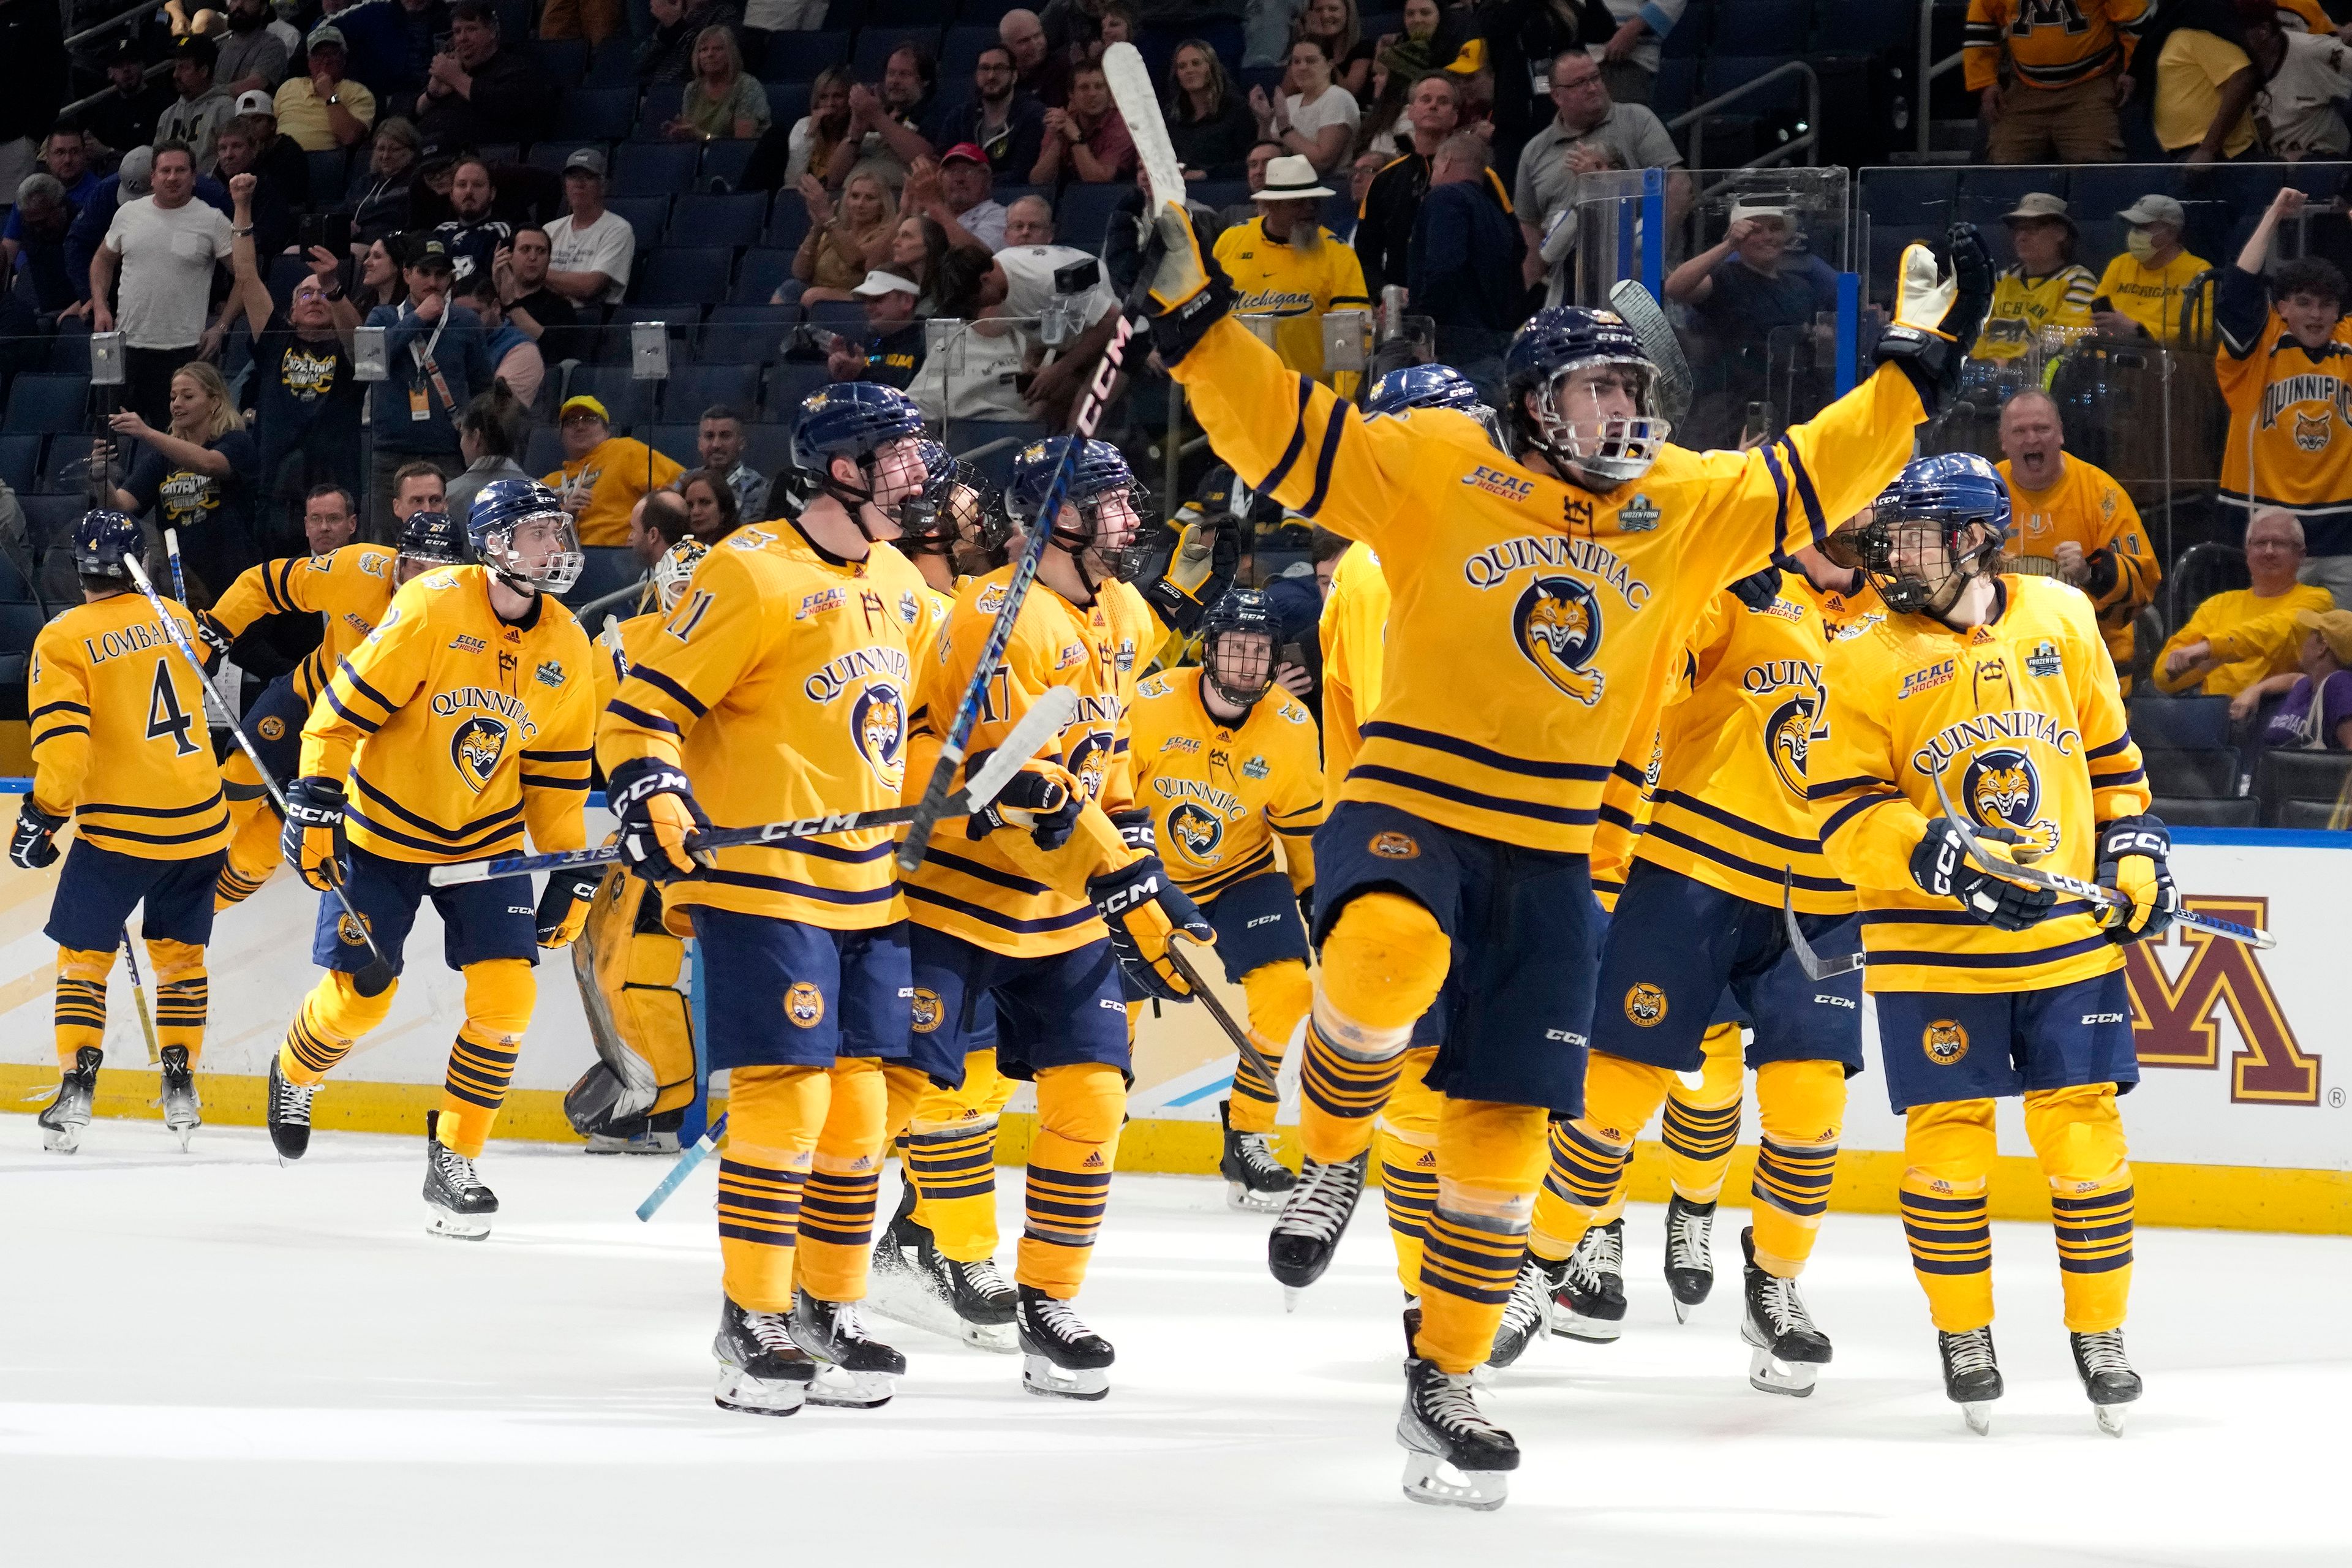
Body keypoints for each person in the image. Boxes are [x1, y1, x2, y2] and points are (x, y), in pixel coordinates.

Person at [1131, 189, 1984, 1501]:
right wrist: (1197, 330)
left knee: (1506, 1135)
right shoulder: (1432, 464)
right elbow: (1287, 434)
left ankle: (1447, 1379)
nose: (1623, 413)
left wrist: (1914, 377)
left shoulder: (1682, 502)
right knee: (1383, 961)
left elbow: (1817, 469)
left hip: (1559, 841)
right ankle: (1334, 1148)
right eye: (1596, 389)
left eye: (1631, 389)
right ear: (1533, 402)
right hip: (1416, 796)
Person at [1811, 451, 2164, 1438]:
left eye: (1913, 537)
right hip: (1934, 952)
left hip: (2065, 942)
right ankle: (1964, 1334)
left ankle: (2101, 1335)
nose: (1888, 556)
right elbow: (1843, 819)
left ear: (1974, 540)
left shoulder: (2063, 616)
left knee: (2083, 1136)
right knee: (1950, 1149)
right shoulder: (1859, 657)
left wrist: (2136, 854)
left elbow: (2110, 762)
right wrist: (1937, 859)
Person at [600, 384, 937, 1414]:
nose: (915, 476)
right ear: (841, 468)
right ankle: (751, 1315)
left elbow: (907, 727)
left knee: (860, 1109)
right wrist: (652, 786)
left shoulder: (906, 586)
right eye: (896, 459)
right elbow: (640, 712)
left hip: (868, 887)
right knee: (786, 1102)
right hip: (764, 882)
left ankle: (827, 1306)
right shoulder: (748, 572)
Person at [890, 433, 1210, 1395]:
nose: (1127, 518)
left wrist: (1134, 866)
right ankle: (835, 1268)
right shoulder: (998, 612)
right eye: (1107, 502)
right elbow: (1005, 784)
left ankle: (1049, 1300)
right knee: (927, 1096)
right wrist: (1110, 868)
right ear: (1055, 519)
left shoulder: (1125, 614)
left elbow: (1103, 770)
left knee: (1094, 1096)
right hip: (958, 886)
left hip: (1061, 899)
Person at [266, 483, 592, 1241]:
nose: (558, 546)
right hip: (383, 833)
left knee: (507, 1000)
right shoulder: (430, 606)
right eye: (540, 533)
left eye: (559, 532)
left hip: (486, 838)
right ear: (496, 545)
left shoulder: (568, 642)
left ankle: (455, 1159)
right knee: (363, 997)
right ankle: (296, 1069)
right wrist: (316, 794)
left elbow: (559, 772)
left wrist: (571, 864)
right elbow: (342, 712)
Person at [15, 510, 226, 1155]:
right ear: (138, 565)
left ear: (77, 565)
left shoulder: (63, 637)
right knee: (181, 959)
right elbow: (201, 672)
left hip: (121, 834)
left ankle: (77, 1086)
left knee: (86, 961)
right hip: (201, 824)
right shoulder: (177, 618)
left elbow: (65, 751)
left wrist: (44, 815)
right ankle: (182, 1082)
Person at [1129, 590, 1324, 1212]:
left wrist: (1318, 896)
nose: (1245, 663)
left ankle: (1247, 1129)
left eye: (1259, 651)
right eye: (1235, 647)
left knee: (1288, 988)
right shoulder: (1151, 705)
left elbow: (1299, 831)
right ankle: (1100, 1121)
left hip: (1239, 874)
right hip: (1148, 875)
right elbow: (1112, 798)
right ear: (1208, 650)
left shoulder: (1293, 726)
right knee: (1117, 1009)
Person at [198, 499, 470, 910]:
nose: (425, 583)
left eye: (441, 572)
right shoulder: (355, 569)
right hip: (311, 694)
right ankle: (179, 868)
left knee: (266, 841)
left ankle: (199, 913)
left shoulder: (470, 623)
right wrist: (217, 629)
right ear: (398, 561)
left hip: (366, 741)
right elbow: (264, 583)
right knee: (238, 780)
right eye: (417, 567)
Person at [562, 534, 709, 1157]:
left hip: (707, 831)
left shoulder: (742, 642)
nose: (685, 600)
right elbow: (582, 723)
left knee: (642, 961)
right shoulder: (627, 641)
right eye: (679, 585)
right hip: (644, 825)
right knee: (595, 949)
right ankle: (637, 1080)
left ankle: (662, 1100)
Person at [2218, 187, 2352, 605]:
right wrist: (2274, 213)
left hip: (2342, 530)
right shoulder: (2261, 346)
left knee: (2341, 654)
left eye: (2327, 305)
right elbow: (2239, 287)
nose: (2316, 315)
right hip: (2270, 527)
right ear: (2282, 308)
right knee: (2270, 647)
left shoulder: (2347, 341)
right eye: (2305, 303)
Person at [224, 174, 363, 552]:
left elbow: (360, 342)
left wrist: (334, 286)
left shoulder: (349, 347)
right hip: (276, 487)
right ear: (291, 310)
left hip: (337, 486)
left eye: (324, 294)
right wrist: (241, 206)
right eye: (306, 293)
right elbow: (247, 275)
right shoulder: (275, 342)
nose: (316, 297)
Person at [1996, 389, 2161, 685]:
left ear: (2060, 434)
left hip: (2092, 666)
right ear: (2004, 442)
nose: (2031, 439)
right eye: (2019, 431)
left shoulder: (2103, 495)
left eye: (2042, 428)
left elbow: (2145, 584)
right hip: (2003, 661)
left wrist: (2092, 572)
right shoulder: (1986, 493)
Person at [92, 141, 233, 431]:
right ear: (153, 176)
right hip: (124, 344)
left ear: (194, 177)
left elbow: (247, 277)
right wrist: (100, 306)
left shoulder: (212, 219)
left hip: (183, 351)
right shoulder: (129, 213)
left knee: (179, 441)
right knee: (107, 439)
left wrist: (221, 327)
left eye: (181, 170)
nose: (172, 177)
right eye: (165, 170)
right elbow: (102, 260)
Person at [99, 361, 259, 606]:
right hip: (181, 578)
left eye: (188, 396)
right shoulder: (162, 457)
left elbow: (209, 464)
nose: (177, 404)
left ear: (215, 402)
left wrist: (148, 433)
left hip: (231, 573)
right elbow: (122, 505)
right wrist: (100, 477)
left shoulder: (237, 442)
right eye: (173, 397)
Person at [1212, 154, 1372, 394]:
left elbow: (1352, 338)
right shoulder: (1231, 242)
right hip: (1237, 396)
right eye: (1298, 202)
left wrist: (1342, 405)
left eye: (1314, 201)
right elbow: (1207, 320)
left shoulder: (1338, 254)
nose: (1309, 209)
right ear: (1272, 205)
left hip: (1309, 400)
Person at [363, 233, 492, 529]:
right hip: (390, 453)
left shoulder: (466, 321)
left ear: (451, 279)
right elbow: (367, 365)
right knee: (386, 545)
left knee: (448, 540)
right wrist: (416, 319)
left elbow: (482, 386)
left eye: (441, 274)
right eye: (424, 273)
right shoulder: (381, 315)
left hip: (448, 451)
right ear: (407, 274)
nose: (433, 282)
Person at [2154, 508, 2335, 700]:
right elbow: (2163, 678)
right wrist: (2204, 661)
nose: (2269, 551)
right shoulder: (2218, 605)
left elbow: (2277, 630)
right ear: (2247, 551)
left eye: (2280, 543)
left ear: (2301, 554)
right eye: (2260, 543)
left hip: (2279, 712)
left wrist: (2211, 648)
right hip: (2214, 717)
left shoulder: (2318, 601)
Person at [1966, 0, 2146, 164]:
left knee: (2096, 168)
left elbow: (2135, 20)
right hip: (2025, 91)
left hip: (2091, 87)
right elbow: (1981, 23)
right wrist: (1986, 82)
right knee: (2004, 167)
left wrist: (2133, 70)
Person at [1406, 132, 1524, 360]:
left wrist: (1423, 330)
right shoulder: (1496, 215)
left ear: (1447, 161)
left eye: (1435, 164)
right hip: (1493, 351)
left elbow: (1444, 268)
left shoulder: (1446, 198)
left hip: (1454, 351)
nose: (1432, 175)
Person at [1355, 73, 1465, 298]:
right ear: (1411, 112)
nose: (1434, 106)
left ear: (1455, 117)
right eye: (1426, 100)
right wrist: (1384, 292)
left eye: (1443, 101)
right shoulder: (1386, 179)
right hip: (1401, 307)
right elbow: (1365, 254)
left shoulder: (1477, 176)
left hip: (1462, 310)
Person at [544, 393, 686, 548]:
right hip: (557, 565)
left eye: (589, 419)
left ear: (607, 431)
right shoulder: (547, 484)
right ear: (561, 435)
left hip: (617, 558)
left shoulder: (624, 451)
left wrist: (643, 536)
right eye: (571, 422)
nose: (580, 426)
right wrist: (566, 515)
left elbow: (682, 482)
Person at [1974, 192, 2098, 365]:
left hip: (2035, 378)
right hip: (1984, 374)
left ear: (2060, 233)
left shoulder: (2077, 280)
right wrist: (1977, 365)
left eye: (2032, 229)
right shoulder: (2001, 279)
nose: (2021, 237)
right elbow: (1977, 333)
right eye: (2018, 229)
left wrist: (2007, 364)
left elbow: (2064, 341)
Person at [416, 2, 560, 146]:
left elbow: (505, 106)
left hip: (481, 158)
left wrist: (457, 79)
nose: (462, 38)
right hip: (424, 154)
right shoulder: (451, 71)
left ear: (492, 32)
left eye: (471, 29)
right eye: (457, 31)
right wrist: (432, 95)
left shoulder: (517, 70)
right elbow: (412, 114)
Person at [2090, 194, 2215, 345]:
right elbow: (2088, 317)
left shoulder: (2199, 271)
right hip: (2110, 355)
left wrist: (2140, 331)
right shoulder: (2120, 264)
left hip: (2167, 361)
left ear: (2172, 232)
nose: (2134, 233)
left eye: (2143, 227)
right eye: (2133, 226)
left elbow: (2202, 334)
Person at [2242, 2, 2352, 156]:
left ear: (2264, 31)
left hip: (2323, 164)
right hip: (2266, 168)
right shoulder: (2232, 63)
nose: (2231, 33)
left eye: (2238, 28)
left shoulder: (2313, 50)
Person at [2153, 12, 2261, 162]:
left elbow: (2243, 78)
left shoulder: (2198, 31)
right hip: (2182, 155)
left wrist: (2208, 149)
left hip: (2216, 155)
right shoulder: (2173, 33)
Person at [789, 164, 896, 304]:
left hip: (861, 299)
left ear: (883, 206)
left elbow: (856, 259)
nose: (860, 204)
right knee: (790, 288)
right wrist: (816, 229)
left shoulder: (887, 235)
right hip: (816, 296)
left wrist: (827, 217)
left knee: (812, 296)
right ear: (846, 200)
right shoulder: (834, 231)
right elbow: (799, 273)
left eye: (870, 198)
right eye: (855, 196)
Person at [1251, 38, 1358, 177]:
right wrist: (1265, 122)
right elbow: (1269, 157)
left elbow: (1322, 162)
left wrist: (1285, 129)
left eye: (1311, 61)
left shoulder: (1337, 98)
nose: (1302, 67)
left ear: (1330, 65)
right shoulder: (1290, 103)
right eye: (1296, 62)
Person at [545, 148, 636, 306]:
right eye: (573, 177)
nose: (579, 184)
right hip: (546, 315)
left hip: (591, 320)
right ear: (565, 185)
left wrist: (536, 274)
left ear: (603, 186)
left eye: (588, 177)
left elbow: (590, 287)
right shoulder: (550, 230)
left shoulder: (618, 229)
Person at [944, 45, 1047, 184]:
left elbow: (1022, 174)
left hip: (1011, 199)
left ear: (1014, 76)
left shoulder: (1032, 115)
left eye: (999, 69)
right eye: (985, 69)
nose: (991, 76)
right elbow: (942, 162)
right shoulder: (960, 116)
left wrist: (975, 182)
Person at [2252, 606, 2352, 748]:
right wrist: (2257, 690)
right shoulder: (2306, 684)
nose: (2304, 640)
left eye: (2311, 633)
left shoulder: (2340, 685)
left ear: (2322, 647)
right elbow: (2294, 679)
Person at [741, 66, 852, 191]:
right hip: (800, 198)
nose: (830, 104)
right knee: (775, 136)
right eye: (824, 97)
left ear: (849, 100)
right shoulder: (804, 126)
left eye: (838, 96)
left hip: (838, 200)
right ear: (816, 101)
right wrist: (809, 135)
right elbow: (792, 182)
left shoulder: (858, 136)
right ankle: (739, 196)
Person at [1031, 58, 1134, 187]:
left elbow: (1098, 182)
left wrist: (1076, 138)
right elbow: (1038, 182)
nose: (1092, 94)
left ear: (1110, 93)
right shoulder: (1063, 121)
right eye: (1084, 88)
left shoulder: (1123, 126)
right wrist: (1058, 139)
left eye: (1099, 87)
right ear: (1071, 95)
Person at [273, 23, 377, 151]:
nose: (326, 61)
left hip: (324, 161)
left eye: (332, 54)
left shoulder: (358, 92)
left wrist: (330, 95)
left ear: (343, 58)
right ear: (309, 62)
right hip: (280, 159)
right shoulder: (289, 86)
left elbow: (350, 137)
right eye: (318, 56)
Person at [1165, 37, 1258, 178]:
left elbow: (1249, 163)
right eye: (1182, 66)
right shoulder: (1171, 115)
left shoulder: (1237, 110)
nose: (1189, 70)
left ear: (1211, 67)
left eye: (1196, 63)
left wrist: (1207, 174)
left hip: (1225, 190)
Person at [443, 385, 532, 522]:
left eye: (463, 435)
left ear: (476, 437)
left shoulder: (448, 498)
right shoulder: (541, 494)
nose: (461, 443)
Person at [826, 271, 926, 390]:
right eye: (866, 301)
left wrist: (862, 373)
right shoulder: (865, 340)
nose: (868, 307)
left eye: (877, 299)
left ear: (907, 301)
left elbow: (913, 394)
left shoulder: (927, 341)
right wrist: (842, 373)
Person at [493, 225, 582, 357]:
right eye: (526, 249)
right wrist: (497, 290)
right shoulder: (486, 296)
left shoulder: (560, 307)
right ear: (508, 256)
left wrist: (511, 305)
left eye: (541, 251)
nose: (533, 257)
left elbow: (555, 352)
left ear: (549, 260)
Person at [459, 273, 545, 408]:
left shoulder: (523, 349)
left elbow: (500, 410)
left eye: (474, 314)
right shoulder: (453, 341)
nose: (465, 323)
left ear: (496, 307)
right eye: (458, 316)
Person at [157, 35, 238, 175]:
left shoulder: (226, 108)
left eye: (183, 68)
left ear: (204, 71)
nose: (175, 75)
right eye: (176, 67)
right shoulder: (168, 115)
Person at [672, 26, 770, 141]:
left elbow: (741, 145)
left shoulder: (747, 86)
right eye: (704, 50)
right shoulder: (692, 89)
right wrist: (679, 133)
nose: (710, 54)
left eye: (717, 49)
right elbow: (689, 137)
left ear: (731, 54)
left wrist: (701, 136)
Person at [903, 145, 1006, 254]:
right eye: (952, 171)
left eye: (968, 171)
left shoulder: (1000, 216)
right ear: (940, 180)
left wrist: (933, 204)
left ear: (987, 180)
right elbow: (888, 259)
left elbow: (977, 259)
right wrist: (904, 213)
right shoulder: (928, 214)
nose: (959, 179)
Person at [83, 36, 176, 156]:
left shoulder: (162, 104)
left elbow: (152, 157)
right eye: (120, 65)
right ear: (110, 73)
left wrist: (108, 152)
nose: (126, 69)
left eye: (132, 62)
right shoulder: (107, 105)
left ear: (143, 65)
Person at [4, 174, 78, 314]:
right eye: (31, 224)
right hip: (45, 307)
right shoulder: (30, 224)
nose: (37, 229)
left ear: (60, 206)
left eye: (42, 222)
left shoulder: (84, 227)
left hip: (79, 310)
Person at [432, 157, 510, 285]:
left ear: (492, 193)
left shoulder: (500, 232)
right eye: (462, 185)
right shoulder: (440, 232)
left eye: (478, 185)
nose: (469, 191)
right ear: (451, 194)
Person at [349, 116, 421, 247]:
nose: (385, 156)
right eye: (381, 149)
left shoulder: (415, 184)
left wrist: (363, 233)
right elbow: (342, 212)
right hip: (351, 244)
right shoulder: (364, 183)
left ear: (411, 151)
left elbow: (406, 228)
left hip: (386, 248)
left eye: (394, 149)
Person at [691, 403, 769, 522]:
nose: (716, 444)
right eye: (709, 436)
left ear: (741, 443)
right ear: (700, 444)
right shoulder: (686, 481)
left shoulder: (759, 487)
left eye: (725, 436)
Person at [636, 0, 744, 84]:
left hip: (694, 93)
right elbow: (640, 64)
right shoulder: (671, 12)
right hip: (658, 92)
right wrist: (667, 31)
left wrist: (676, 26)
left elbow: (710, 62)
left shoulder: (725, 14)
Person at [1297, 0, 1376, 100]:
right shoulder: (1304, 50)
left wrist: (1318, 43)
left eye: (1333, 9)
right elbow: (1286, 93)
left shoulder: (1365, 47)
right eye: (1318, 10)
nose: (1325, 16)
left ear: (1348, 13)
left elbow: (1348, 94)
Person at [1000, 7, 1071, 109]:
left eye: (1037, 36)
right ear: (1006, 47)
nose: (1034, 45)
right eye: (1024, 41)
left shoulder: (1063, 69)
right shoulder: (997, 74)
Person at [215, 0, 290, 94]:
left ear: (263, 9)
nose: (239, 5)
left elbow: (255, 84)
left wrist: (212, 95)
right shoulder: (220, 44)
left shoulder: (273, 45)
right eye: (235, 0)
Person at [676, 467, 741, 541]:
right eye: (690, 505)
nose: (695, 512)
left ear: (723, 510)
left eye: (704, 503)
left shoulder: (743, 549)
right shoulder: (676, 550)